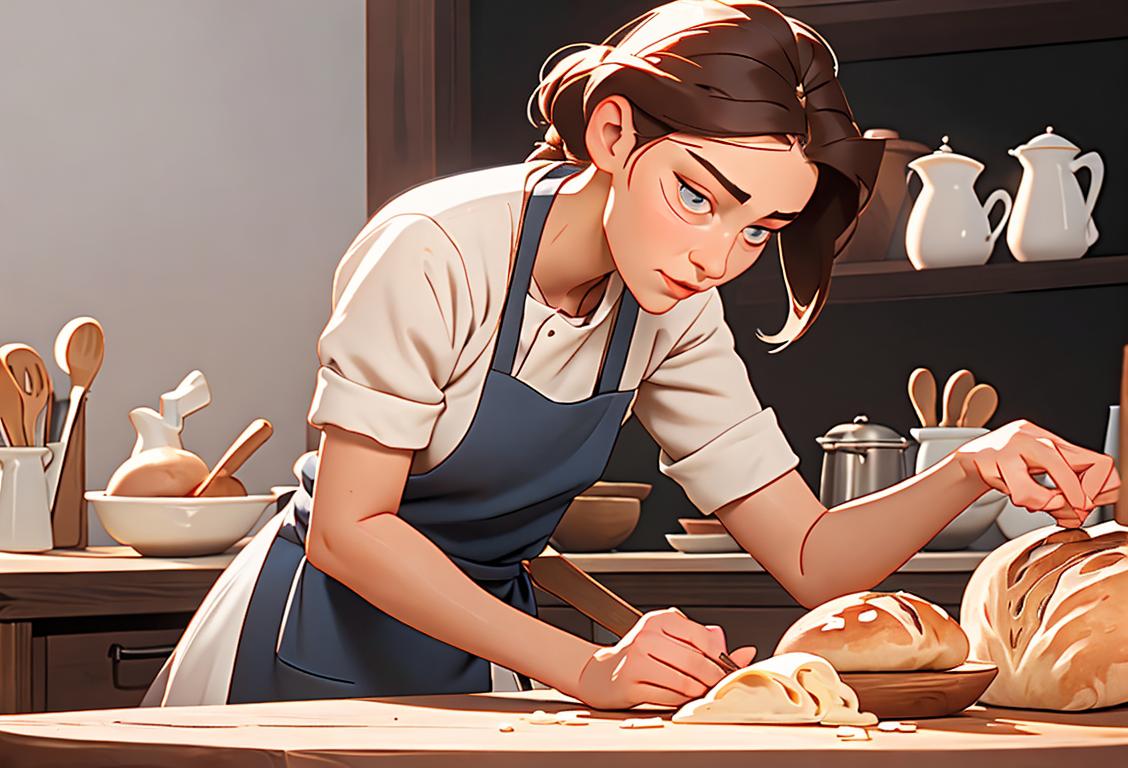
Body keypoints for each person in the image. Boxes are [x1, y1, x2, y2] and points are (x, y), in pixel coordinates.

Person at [143, 0, 1120, 710]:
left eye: (759, 229)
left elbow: (816, 561)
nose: (717, 254)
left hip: (476, 655)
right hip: (303, 644)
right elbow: (350, 532)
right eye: (699, 196)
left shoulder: (673, 306)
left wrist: (971, 468)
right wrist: (584, 668)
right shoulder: (434, 249)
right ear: (614, 132)